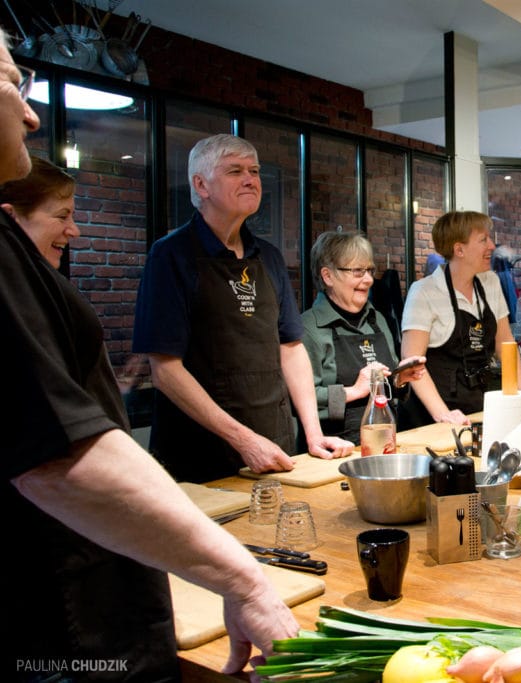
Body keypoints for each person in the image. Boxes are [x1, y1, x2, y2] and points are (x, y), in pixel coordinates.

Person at [0, 40, 298, 681]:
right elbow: (58, 449)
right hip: (55, 612)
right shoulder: (169, 254)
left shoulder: (267, 255)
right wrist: (244, 579)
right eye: (13, 85)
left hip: (97, 574)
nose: (31, 116)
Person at [133, 134, 352, 483]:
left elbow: (291, 348)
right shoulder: (170, 256)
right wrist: (243, 439)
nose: (250, 179)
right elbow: (166, 371)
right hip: (201, 455)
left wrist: (312, 433)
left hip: (275, 443)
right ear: (201, 185)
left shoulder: (269, 257)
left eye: (255, 170)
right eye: (235, 171)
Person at [401, 210, 521, 426]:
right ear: (459, 249)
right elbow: (412, 365)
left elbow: (506, 345)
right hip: (430, 417)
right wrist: (444, 415)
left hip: (476, 407)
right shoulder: (424, 292)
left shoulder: (490, 282)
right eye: (483, 240)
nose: (492, 246)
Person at [301, 231, 425, 442]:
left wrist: (400, 379)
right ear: (327, 276)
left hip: (385, 441)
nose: (368, 280)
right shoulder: (308, 328)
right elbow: (299, 397)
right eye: (358, 271)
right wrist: (354, 391)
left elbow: (388, 384)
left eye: (369, 270)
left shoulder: (377, 320)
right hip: (336, 448)